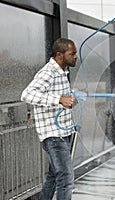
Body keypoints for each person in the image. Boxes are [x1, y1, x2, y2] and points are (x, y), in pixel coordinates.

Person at [21, 38, 78, 200]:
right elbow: (27, 94)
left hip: (64, 133)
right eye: (72, 53)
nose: (76, 57)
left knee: (54, 177)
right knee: (65, 179)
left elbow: (60, 98)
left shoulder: (62, 72)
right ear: (60, 55)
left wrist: (72, 98)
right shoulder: (48, 72)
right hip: (54, 136)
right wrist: (59, 99)